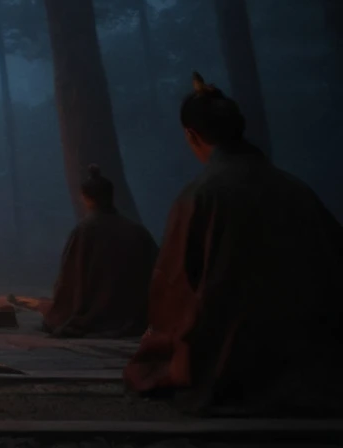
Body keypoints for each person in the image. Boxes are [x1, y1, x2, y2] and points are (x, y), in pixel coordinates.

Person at [124, 73, 343, 414]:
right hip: (310, 357)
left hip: (230, 354)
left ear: (192, 135)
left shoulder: (200, 196)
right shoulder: (297, 191)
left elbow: (174, 288)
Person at [42, 165, 158, 338]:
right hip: (132, 313)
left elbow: (68, 280)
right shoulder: (137, 231)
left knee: (55, 320)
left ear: (85, 198)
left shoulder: (84, 231)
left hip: (98, 315)